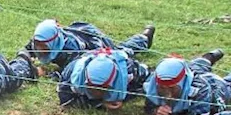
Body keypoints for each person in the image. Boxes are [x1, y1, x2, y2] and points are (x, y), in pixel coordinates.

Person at [26, 19, 154, 74]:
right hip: (78, 30)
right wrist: (24, 58)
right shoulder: (39, 40)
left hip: (94, 41)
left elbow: (70, 71)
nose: (39, 49)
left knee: (119, 53)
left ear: (53, 41)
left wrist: (47, 73)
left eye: (44, 46)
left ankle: (143, 39)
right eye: (38, 45)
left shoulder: (71, 51)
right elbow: (26, 50)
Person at [56, 48, 148, 110]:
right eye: (91, 87)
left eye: (101, 88)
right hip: (91, 54)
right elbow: (66, 101)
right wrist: (101, 104)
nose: (96, 92)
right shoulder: (72, 73)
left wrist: (124, 97)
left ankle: (142, 38)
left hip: (115, 56)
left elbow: (149, 80)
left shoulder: (129, 71)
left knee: (127, 50)